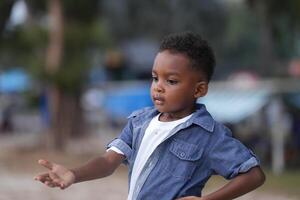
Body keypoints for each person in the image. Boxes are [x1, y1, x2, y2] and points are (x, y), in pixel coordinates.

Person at [34, 31, 265, 200]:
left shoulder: (209, 135)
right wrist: (73, 174)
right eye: (155, 78)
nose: (158, 87)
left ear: (199, 90)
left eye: (171, 81)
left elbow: (253, 175)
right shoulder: (139, 122)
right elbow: (107, 163)